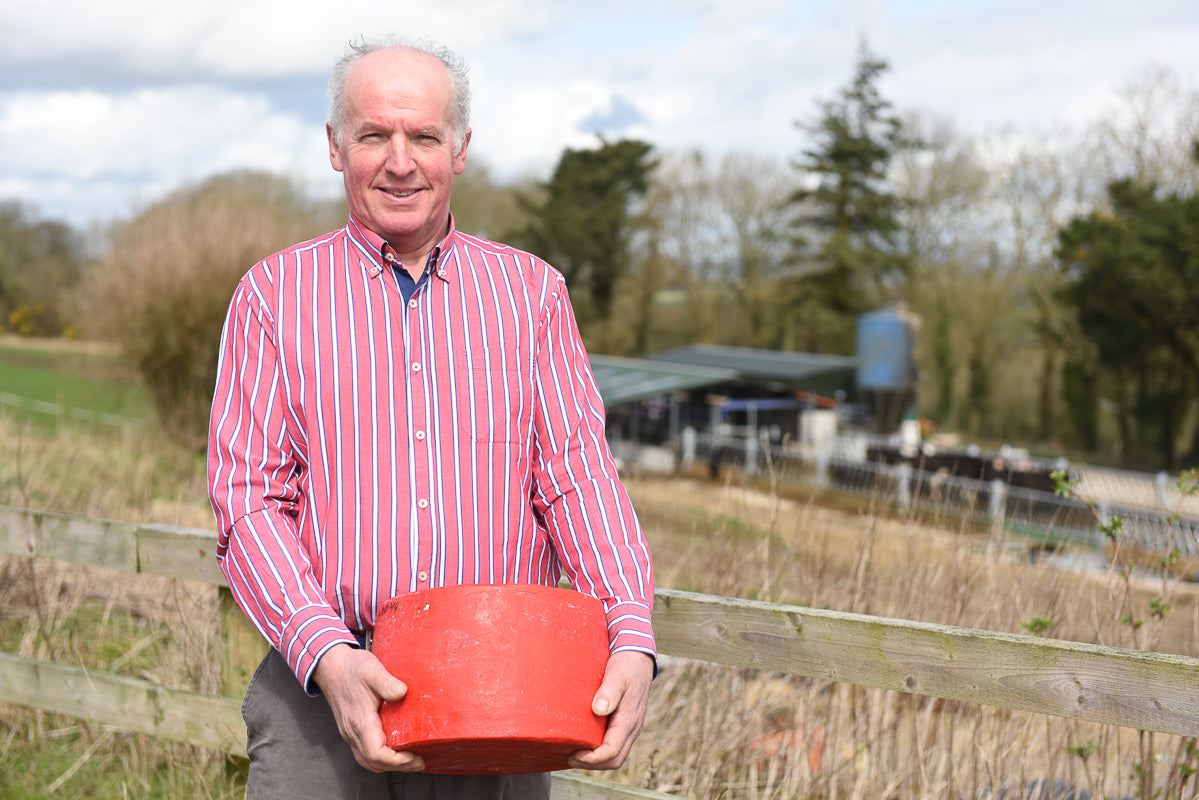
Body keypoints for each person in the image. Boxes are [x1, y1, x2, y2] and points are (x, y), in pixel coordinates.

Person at [207, 35, 656, 800]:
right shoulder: (272, 299)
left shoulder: (532, 297)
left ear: (461, 148)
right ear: (334, 146)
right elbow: (247, 502)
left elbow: (578, 482)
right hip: (321, 692)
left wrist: (632, 638)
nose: (400, 161)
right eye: (373, 135)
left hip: (502, 693)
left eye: (423, 136)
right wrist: (327, 656)